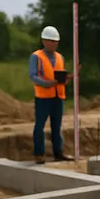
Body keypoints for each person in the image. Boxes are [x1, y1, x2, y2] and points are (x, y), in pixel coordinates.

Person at [29, 25, 75, 164]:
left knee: (57, 126)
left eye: (55, 42)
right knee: (40, 126)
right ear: (44, 41)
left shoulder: (60, 57)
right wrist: (48, 83)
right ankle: (39, 154)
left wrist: (66, 80)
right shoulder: (36, 56)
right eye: (51, 41)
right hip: (43, 97)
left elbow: (60, 77)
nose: (53, 44)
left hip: (58, 96)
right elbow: (33, 77)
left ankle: (58, 152)